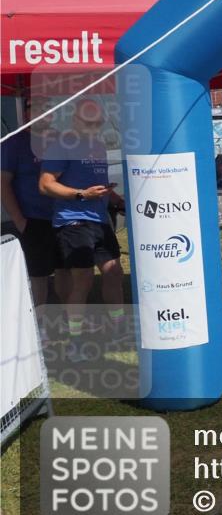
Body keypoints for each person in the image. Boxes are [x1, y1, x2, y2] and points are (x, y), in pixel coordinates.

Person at [38, 99, 126, 360]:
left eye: (98, 123)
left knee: (113, 272)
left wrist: (117, 200)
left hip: (99, 220)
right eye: (89, 122)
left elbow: (98, 184)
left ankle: (120, 330)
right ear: (75, 120)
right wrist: (81, 194)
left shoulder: (97, 146)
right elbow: (45, 184)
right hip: (72, 221)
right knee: (83, 279)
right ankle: (75, 342)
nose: (94, 127)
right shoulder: (61, 146)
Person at [1, 97, 70, 306]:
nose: (43, 112)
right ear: (26, 113)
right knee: (38, 276)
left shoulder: (63, 140)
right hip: (33, 219)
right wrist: (19, 220)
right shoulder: (15, 143)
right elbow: (3, 183)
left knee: (65, 270)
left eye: (47, 107)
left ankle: (69, 318)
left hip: (64, 217)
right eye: (36, 107)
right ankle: (39, 321)